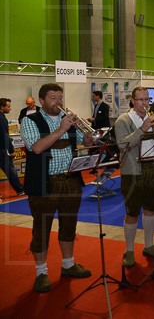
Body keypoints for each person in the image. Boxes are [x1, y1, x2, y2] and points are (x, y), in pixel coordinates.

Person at [20, 84, 94, 293]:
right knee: (42, 228)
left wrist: (86, 133)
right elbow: (36, 148)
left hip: (70, 180)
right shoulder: (30, 120)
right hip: (44, 183)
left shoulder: (67, 120)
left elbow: (86, 143)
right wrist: (61, 128)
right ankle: (41, 273)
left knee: (69, 224)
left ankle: (68, 264)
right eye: (53, 98)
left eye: (60, 97)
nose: (58, 102)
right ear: (42, 100)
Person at [114, 87, 154, 268]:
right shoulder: (123, 120)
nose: (145, 103)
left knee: (151, 209)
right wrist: (142, 129)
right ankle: (129, 250)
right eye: (141, 100)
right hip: (133, 172)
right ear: (133, 101)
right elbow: (122, 145)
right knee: (132, 212)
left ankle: (149, 245)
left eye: (147, 100)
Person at [1, 98, 25, 196]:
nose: (10, 108)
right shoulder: (2, 119)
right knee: (10, 170)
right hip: (1, 150)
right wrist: (11, 150)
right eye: (8, 106)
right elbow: (4, 136)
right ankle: (20, 190)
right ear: (2, 107)